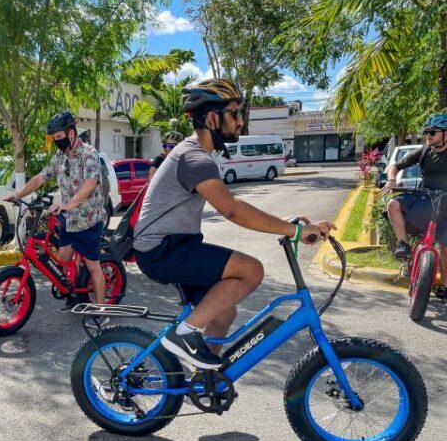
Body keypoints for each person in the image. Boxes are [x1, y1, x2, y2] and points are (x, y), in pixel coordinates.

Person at [133, 79, 334, 370]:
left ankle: (205, 376)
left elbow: (235, 202)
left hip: (175, 245)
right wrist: (297, 231)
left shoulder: (197, 155)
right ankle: (183, 336)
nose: (240, 122)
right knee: (251, 270)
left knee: (223, 314)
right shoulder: (193, 157)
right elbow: (232, 210)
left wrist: (286, 223)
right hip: (161, 249)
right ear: (212, 118)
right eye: (235, 114)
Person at [4, 111, 108, 313]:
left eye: (59, 138)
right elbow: (40, 178)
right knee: (64, 258)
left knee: (93, 266)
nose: (56, 142)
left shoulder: (89, 154)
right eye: (54, 139)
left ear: (71, 133)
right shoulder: (60, 157)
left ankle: (101, 311)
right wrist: (18, 194)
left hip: (88, 219)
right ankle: (75, 294)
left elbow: (91, 182)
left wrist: (69, 205)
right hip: (68, 219)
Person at [382, 113, 447, 295]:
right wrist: (392, 179)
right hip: (426, 198)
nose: (428, 135)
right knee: (393, 204)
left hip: (446, 204)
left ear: (446, 134)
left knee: (445, 247)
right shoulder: (424, 151)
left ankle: (444, 286)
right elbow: (394, 166)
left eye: (432, 132)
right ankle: (403, 244)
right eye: (427, 132)